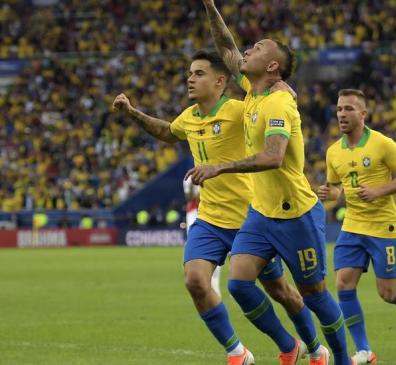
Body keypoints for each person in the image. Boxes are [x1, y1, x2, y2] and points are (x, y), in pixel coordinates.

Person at [112, 49, 309, 365]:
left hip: (250, 218)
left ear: (220, 81)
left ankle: (306, 345)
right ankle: (238, 353)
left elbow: (268, 107)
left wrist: (283, 90)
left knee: (281, 291)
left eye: (198, 73)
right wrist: (133, 112)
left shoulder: (238, 110)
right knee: (195, 281)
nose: (190, 78)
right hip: (211, 218)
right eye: (189, 73)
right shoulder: (189, 117)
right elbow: (167, 131)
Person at [189, 1, 350, 364]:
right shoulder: (252, 89)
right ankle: (288, 345)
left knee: (315, 296)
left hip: (297, 214)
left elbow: (274, 156)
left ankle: (339, 357)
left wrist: (219, 168)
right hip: (261, 214)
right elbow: (227, 47)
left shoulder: (278, 103)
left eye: (259, 48)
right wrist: (210, 7)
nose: (249, 50)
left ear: (273, 66)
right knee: (239, 284)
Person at [317, 89, 396, 364]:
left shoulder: (382, 144)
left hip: (384, 227)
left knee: (387, 293)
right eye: (339, 109)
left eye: (348, 109)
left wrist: (379, 191)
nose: (342, 114)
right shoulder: (333, 152)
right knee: (343, 283)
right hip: (353, 225)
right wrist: (328, 194)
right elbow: (336, 189)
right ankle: (365, 350)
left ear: (363, 114)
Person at [182, 178, 222, 297]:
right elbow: (189, 198)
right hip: (193, 212)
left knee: (216, 245)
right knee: (193, 243)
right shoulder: (189, 177)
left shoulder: (212, 172)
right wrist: (191, 187)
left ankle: (214, 283)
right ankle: (198, 274)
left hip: (210, 211)